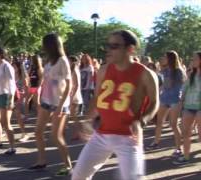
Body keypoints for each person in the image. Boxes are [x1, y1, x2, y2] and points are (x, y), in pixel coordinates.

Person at [72, 30, 159, 180]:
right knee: (78, 176)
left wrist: (142, 121)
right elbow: (98, 97)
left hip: (128, 138)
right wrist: (87, 120)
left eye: (115, 46)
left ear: (130, 49)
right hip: (101, 135)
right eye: (108, 45)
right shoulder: (104, 70)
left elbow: (154, 102)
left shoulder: (146, 74)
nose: (108, 49)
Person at [29, 33, 72, 176]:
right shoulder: (49, 60)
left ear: (50, 45)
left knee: (56, 136)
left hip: (59, 103)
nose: (42, 46)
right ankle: (41, 161)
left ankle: (68, 166)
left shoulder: (63, 60)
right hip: (47, 101)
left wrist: (60, 106)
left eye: (44, 43)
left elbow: (69, 84)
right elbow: (45, 80)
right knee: (38, 132)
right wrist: (39, 95)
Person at [147, 51, 186, 158]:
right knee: (159, 122)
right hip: (164, 99)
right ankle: (156, 142)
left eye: (164, 57)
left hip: (175, 99)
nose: (162, 58)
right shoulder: (164, 70)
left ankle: (179, 148)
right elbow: (163, 85)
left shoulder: (178, 71)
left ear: (170, 58)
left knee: (173, 124)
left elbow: (180, 84)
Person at [173, 52, 201, 165]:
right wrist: (181, 99)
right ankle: (186, 157)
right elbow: (185, 88)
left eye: (195, 59)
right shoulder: (191, 74)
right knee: (185, 132)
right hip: (189, 106)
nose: (192, 60)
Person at [0, 46, 17, 155]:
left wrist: (11, 99)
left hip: (5, 95)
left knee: (6, 123)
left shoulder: (7, 66)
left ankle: (12, 147)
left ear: (0, 54)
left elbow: (12, 83)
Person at [12, 60, 30, 142]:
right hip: (13, 97)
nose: (13, 68)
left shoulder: (23, 77)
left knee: (19, 117)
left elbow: (27, 91)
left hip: (20, 98)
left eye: (15, 66)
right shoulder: (12, 75)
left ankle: (24, 134)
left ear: (19, 67)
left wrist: (21, 99)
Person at [68, 56, 84, 141]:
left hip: (74, 96)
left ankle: (78, 133)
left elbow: (77, 84)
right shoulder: (72, 70)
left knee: (74, 116)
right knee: (72, 116)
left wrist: (71, 96)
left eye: (69, 60)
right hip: (71, 95)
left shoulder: (75, 70)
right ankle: (77, 132)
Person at [24, 55, 43, 119]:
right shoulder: (31, 67)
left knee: (37, 103)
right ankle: (26, 116)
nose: (31, 60)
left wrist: (38, 87)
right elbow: (28, 76)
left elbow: (41, 79)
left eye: (32, 59)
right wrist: (28, 84)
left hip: (36, 87)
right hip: (31, 87)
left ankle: (40, 116)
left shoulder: (39, 68)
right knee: (26, 101)